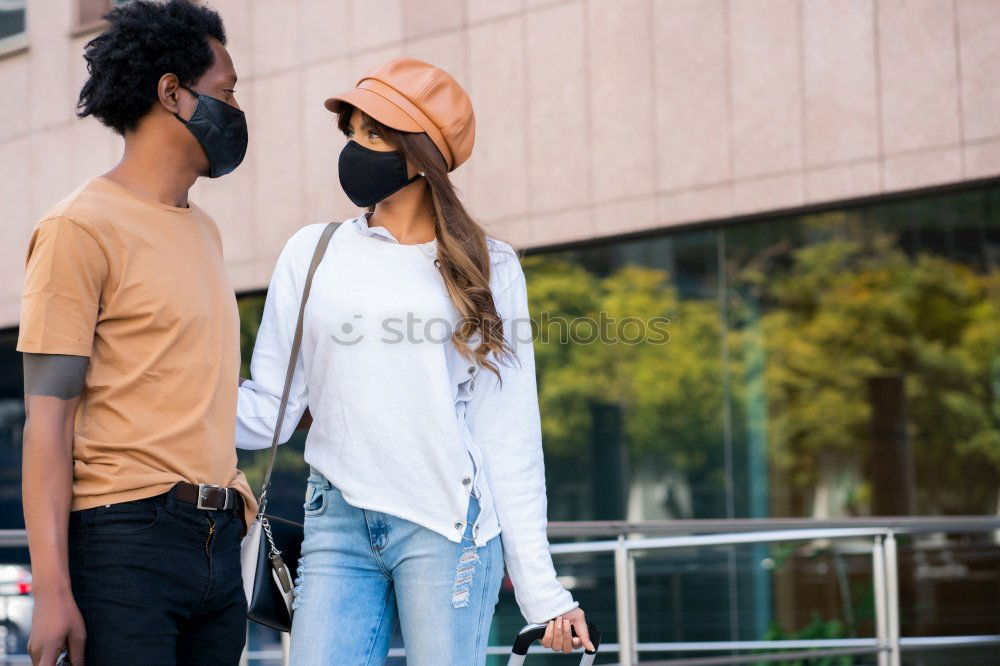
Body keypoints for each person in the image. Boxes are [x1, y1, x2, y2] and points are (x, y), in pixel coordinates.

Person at [235, 56, 595, 664]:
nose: (354, 148)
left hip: (447, 527)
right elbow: (271, 403)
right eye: (352, 132)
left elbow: (507, 432)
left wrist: (542, 593)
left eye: (373, 135)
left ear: (420, 152)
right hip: (335, 522)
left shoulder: (490, 266)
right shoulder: (312, 253)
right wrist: (160, 405)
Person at [17, 2, 255, 664]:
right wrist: (53, 592)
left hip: (216, 541)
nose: (237, 110)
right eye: (226, 92)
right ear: (172, 93)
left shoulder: (202, 230)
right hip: (126, 543)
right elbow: (47, 423)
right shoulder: (79, 228)